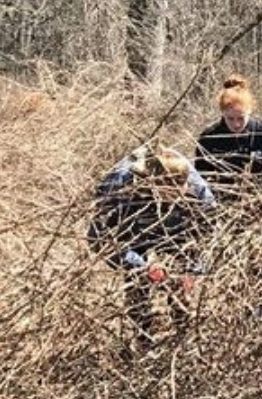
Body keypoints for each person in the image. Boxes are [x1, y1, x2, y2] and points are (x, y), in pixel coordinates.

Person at [89, 144, 217, 352]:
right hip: (134, 226)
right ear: (155, 184)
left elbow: (210, 233)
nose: (180, 193)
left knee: (181, 288)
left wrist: (193, 269)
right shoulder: (121, 187)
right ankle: (143, 339)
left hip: (178, 229)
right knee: (138, 288)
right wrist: (140, 265)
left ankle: (184, 340)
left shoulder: (196, 188)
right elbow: (98, 238)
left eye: (182, 188)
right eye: (172, 190)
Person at [195, 73, 262, 206]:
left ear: (249, 112)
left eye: (241, 118)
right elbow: (200, 176)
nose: (236, 124)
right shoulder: (209, 138)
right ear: (222, 113)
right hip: (223, 200)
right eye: (230, 119)